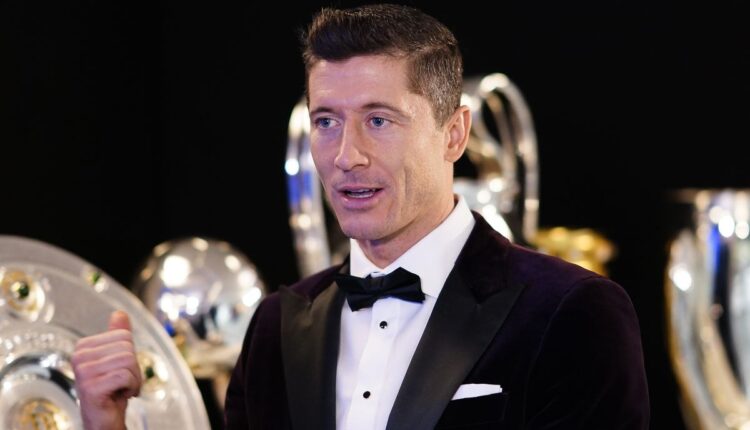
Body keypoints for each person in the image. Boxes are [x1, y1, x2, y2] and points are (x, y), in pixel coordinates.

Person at [73, 3, 649, 429]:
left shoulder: (572, 311)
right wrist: (107, 422)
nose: (347, 155)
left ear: (454, 135)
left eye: (379, 120)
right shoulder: (277, 326)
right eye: (326, 121)